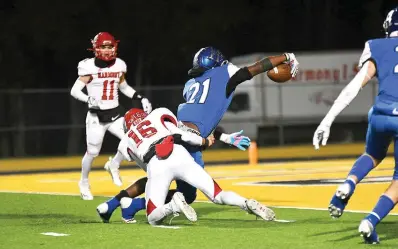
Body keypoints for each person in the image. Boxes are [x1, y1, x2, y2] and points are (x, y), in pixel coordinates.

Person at [99, 46, 298, 221]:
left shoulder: (190, 85)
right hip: (188, 143)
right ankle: (134, 205)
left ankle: (120, 203)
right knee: (191, 194)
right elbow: (257, 68)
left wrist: (224, 137)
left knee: (157, 175)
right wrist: (285, 56)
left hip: (175, 136)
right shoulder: (225, 73)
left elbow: (196, 119)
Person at [97, 107, 275, 225]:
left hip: (157, 164)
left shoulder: (126, 141)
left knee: (152, 217)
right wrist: (205, 141)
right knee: (218, 195)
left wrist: (113, 170)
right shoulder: (158, 113)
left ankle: (172, 206)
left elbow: (142, 168)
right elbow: (183, 135)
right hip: (179, 153)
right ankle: (245, 203)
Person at [313, 8, 398, 244]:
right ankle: (370, 220)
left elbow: (353, 86)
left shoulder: (376, 46)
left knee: (372, 154)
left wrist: (327, 119)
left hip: (380, 113)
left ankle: (349, 182)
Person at [70, 32, 152, 200]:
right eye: (103, 47)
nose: (107, 50)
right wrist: (88, 99)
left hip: (115, 112)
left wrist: (140, 97)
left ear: (115, 47)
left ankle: (113, 165)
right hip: (96, 116)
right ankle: (84, 182)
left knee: (130, 140)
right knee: (92, 152)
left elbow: (124, 87)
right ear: (95, 48)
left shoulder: (119, 65)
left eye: (109, 47)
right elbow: (74, 90)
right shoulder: (88, 67)